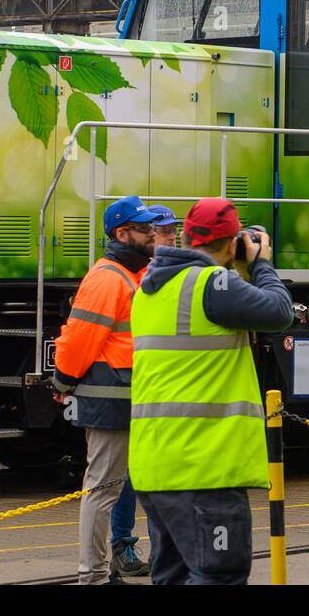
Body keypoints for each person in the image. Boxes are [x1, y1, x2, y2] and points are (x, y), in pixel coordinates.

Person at [128, 197, 293, 584]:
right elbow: (279, 312)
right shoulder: (212, 285)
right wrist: (261, 264)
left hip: (156, 466)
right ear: (233, 242)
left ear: (184, 237)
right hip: (204, 468)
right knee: (220, 575)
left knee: (171, 576)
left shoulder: (150, 289)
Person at [52, 196, 170, 585]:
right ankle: (94, 576)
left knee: (116, 487)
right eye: (146, 229)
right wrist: (63, 381)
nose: (154, 234)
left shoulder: (133, 275)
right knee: (103, 489)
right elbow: (79, 338)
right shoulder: (108, 278)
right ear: (123, 233)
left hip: (133, 399)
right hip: (112, 402)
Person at [107, 204, 179, 580]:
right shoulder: (131, 275)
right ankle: (122, 546)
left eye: (168, 231)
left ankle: (155, 550)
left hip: (155, 384)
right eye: (157, 230)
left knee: (146, 474)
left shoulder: (158, 273)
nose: (164, 236)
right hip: (134, 384)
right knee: (130, 475)